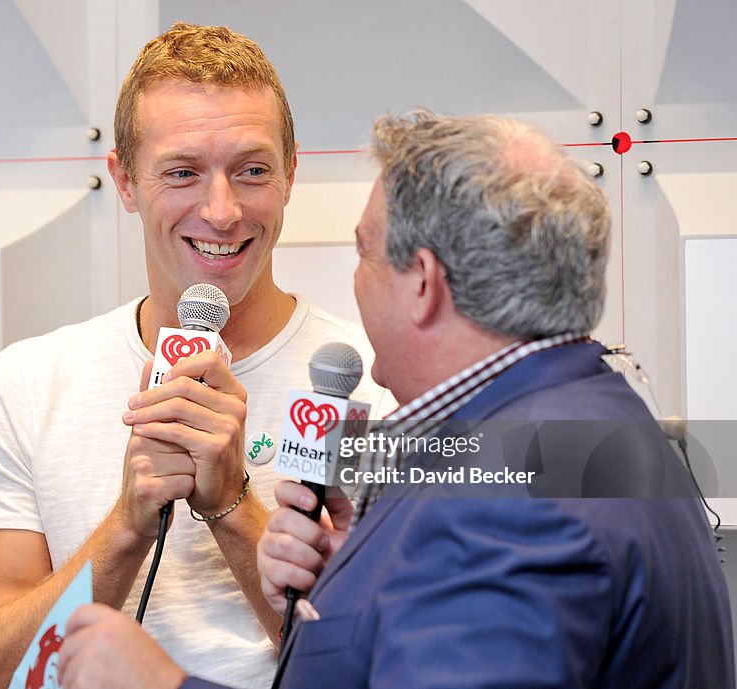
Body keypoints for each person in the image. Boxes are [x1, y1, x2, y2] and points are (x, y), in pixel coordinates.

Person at [56, 110, 735, 689]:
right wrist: (360, 575)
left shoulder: (497, 507)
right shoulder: (586, 427)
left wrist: (163, 683)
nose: (355, 281)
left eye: (364, 254)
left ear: (423, 284)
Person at [0, 22, 389, 689]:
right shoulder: (23, 385)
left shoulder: (377, 385)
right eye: (183, 173)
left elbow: (378, 670)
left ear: (291, 173)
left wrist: (232, 504)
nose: (222, 211)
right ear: (125, 182)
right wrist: (127, 524)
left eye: (252, 170)